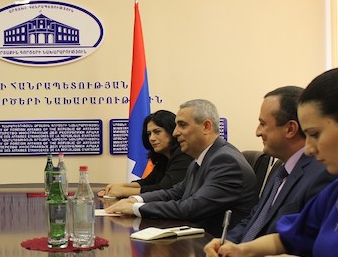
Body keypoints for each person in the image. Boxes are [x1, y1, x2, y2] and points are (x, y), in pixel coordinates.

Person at [205, 69, 338, 257]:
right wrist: (242, 251)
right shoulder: (334, 191)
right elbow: (289, 236)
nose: (309, 149)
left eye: (314, 134)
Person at [105, 99, 257, 236]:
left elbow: (192, 208)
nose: (176, 132)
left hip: (220, 247)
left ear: (206, 126)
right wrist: (136, 199)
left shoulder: (225, 161)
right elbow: (174, 193)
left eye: (182, 125)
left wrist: (136, 208)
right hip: (199, 240)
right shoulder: (202, 158)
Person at [208, 86, 335, 245]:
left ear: (290, 129)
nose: (257, 132)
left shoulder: (323, 173)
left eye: (262, 123)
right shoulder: (280, 170)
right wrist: (226, 244)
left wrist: (246, 253)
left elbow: (301, 242)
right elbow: (254, 219)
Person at [98, 110, 193, 198]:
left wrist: (123, 191)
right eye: (149, 134)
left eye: (157, 132)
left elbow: (164, 189)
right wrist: (121, 185)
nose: (152, 138)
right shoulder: (164, 157)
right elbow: (149, 182)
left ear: (172, 131)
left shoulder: (183, 155)